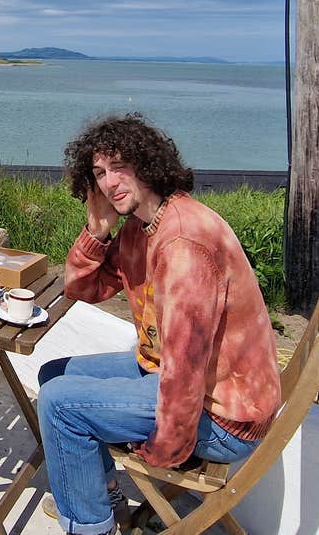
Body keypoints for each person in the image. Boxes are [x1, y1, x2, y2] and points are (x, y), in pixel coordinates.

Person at [38, 114, 281, 535]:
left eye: (119, 166)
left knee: (60, 404)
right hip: (170, 374)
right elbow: (82, 287)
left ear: (147, 164)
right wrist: (97, 231)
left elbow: (186, 372)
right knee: (53, 374)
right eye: (99, 173)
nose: (110, 182)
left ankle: (89, 527)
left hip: (221, 413)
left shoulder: (184, 243)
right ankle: (105, 495)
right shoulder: (139, 227)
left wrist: (163, 449)